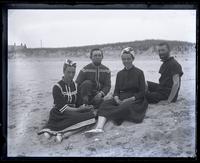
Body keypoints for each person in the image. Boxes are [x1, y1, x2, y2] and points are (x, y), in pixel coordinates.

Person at [84, 47, 148, 136]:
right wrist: (116, 98)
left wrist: (130, 99)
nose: (126, 61)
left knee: (126, 106)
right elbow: (116, 90)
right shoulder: (120, 74)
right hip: (122, 97)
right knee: (104, 104)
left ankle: (116, 115)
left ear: (133, 59)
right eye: (124, 59)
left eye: (128, 59)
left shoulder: (139, 72)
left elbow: (142, 92)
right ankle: (99, 128)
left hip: (135, 99)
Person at [38, 59, 96, 142]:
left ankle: (63, 134)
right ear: (63, 71)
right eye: (68, 72)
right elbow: (62, 107)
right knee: (85, 119)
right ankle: (60, 132)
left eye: (73, 72)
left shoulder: (76, 86)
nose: (71, 75)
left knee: (91, 115)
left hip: (73, 112)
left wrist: (85, 107)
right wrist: (79, 110)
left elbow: (79, 102)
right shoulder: (57, 87)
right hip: (59, 113)